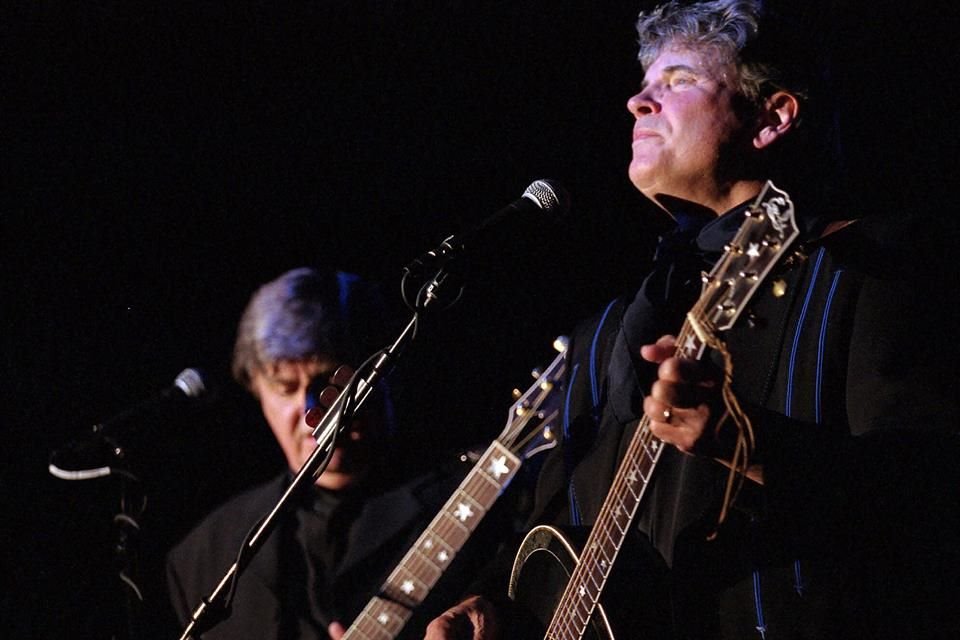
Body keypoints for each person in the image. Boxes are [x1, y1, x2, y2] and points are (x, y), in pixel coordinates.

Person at [424, 1, 959, 638]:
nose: (637, 102)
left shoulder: (871, 270)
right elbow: (551, 520)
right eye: (645, 84)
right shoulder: (607, 334)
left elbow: (928, 496)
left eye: (678, 81)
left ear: (772, 118)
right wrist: (490, 601)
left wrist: (749, 445)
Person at [166, 267, 496, 640]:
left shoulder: (479, 497)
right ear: (257, 392)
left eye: (328, 382)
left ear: (380, 374)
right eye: (285, 387)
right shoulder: (204, 557)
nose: (310, 410)